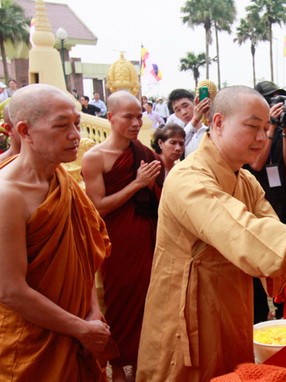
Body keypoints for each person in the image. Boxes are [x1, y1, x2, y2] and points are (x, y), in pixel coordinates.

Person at [136, 86, 286, 382]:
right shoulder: (188, 179)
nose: (260, 137)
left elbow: (272, 229)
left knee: (234, 370)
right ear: (218, 122)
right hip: (187, 315)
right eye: (252, 126)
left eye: (265, 128)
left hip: (232, 305)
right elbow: (244, 232)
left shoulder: (243, 179)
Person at [0, 83, 112, 381]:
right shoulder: (7, 195)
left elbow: (84, 255)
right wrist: (80, 328)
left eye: (77, 123)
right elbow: (11, 291)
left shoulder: (62, 179)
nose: (76, 135)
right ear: (24, 131)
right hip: (33, 344)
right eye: (62, 126)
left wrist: (92, 313)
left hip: (79, 330)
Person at [82, 91, 163, 382]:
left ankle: (145, 358)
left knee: (149, 299)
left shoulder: (145, 154)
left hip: (147, 235)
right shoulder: (94, 158)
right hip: (116, 239)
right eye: (128, 116)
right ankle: (116, 364)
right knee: (118, 299)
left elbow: (162, 194)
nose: (136, 122)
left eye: (139, 116)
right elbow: (98, 207)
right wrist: (137, 184)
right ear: (110, 117)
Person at [245, 81, 286, 322]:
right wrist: (271, 127)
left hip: (283, 202)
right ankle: (266, 307)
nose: (278, 106)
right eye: (273, 101)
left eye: (281, 101)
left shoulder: (280, 129)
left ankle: (283, 308)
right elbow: (256, 163)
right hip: (260, 201)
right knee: (265, 262)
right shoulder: (256, 131)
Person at [166, 88, 210, 156]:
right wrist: (195, 120)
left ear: (194, 103)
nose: (184, 112)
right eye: (178, 110)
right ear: (175, 115)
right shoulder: (180, 136)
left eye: (186, 106)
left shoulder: (208, 129)